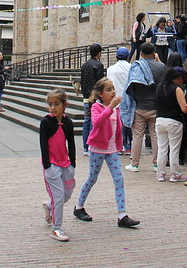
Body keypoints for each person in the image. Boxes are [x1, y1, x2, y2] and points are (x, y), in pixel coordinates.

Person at [73, 78, 140, 228]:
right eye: (108, 90)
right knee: (92, 178)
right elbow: (97, 122)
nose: (113, 92)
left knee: (119, 179)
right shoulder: (97, 107)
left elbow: (117, 126)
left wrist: (119, 144)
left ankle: (122, 215)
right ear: (100, 94)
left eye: (113, 88)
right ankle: (78, 206)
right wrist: (110, 107)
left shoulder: (115, 108)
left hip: (111, 150)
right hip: (97, 148)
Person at [40, 89, 76, 241]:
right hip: (52, 165)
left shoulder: (68, 122)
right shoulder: (46, 122)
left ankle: (49, 206)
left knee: (67, 192)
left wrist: (72, 163)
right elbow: (43, 144)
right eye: (50, 105)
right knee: (59, 196)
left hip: (65, 163)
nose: (53, 108)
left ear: (64, 105)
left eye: (56, 104)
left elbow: (71, 143)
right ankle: (57, 227)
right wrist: (47, 166)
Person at [124, 42, 165, 172]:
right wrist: (158, 61)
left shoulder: (136, 67)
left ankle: (135, 164)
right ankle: (157, 164)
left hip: (139, 106)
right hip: (156, 106)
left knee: (137, 136)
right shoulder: (161, 67)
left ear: (140, 54)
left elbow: (130, 87)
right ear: (154, 53)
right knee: (155, 135)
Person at [155, 66, 187, 182]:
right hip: (174, 121)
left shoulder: (159, 87)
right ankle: (175, 174)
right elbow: (184, 109)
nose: (183, 81)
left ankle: (160, 173)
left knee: (162, 148)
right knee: (174, 149)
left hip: (159, 120)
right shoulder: (177, 89)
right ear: (177, 78)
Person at [80, 43, 105, 154]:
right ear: (98, 53)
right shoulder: (98, 66)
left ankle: (85, 147)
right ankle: (91, 145)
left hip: (86, 97)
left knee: (86, 121)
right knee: (93, 122)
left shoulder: (84, 65)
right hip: (94, 98)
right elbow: (100, 83)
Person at [106, 47, 131, 153]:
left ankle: (118, 145)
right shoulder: (130, 67)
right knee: (127, 123)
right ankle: (128, 146)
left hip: (115, 98)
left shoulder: (110, 69)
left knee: (116, 123)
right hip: (127, 98)